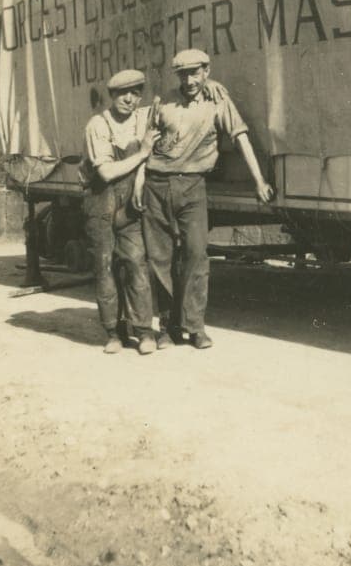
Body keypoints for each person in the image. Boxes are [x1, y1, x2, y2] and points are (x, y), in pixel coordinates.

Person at [138, 49, 274, 350]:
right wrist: (139, 185)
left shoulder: (218, 101)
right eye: (183, 73)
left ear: (206, 71)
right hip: (156, 185)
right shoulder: (163, 102)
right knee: (159, 260)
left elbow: (240, 138)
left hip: (193, 186)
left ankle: (195, 326)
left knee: (196, 256)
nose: (189, 80)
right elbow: (145, 149)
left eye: (195, 72)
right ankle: (167, 328)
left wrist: (259, 181)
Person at [80, 69, 159, 355]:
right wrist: (142, 155)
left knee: (136, 263)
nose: (129, 98)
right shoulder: (98, 125)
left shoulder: (144, 118)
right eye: (123, 93)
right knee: (104, 267)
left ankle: (144, 331)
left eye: (136, 92)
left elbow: (171, 104)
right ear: (112, 96)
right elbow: (106, 171)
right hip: (100, 201)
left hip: (129, 204)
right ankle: (113, 332)